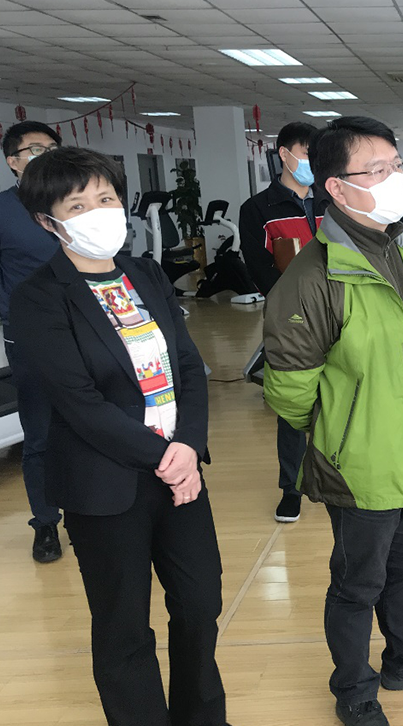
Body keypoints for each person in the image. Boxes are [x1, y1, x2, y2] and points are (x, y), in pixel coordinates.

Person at [262, 116, 403, 726]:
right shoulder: (311, 278)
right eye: (377, 171)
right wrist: (346, 434)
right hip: (361, 464)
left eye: (396, 166)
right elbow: (290, 392)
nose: (394, 179)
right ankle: (354, 687)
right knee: (358, 584)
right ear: (336, 186)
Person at [10, 147, 228, 726]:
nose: (98, 212)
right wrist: (167, 456)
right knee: (123, 623)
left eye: (105, 198)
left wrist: (188, 447)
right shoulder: (38, 296)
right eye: (77, 205)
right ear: (47, 221)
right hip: (105, 485)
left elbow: (187, 366)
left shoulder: (145, 274)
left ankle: (202, 718)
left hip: (179, 475)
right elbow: (79, 402)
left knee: (200, 603)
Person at [238, 121, 324, 523]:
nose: (312, 163)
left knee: (343, 395)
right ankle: (291, 488)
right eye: (306, 154)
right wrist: (293, 304)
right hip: (291, 320)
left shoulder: (331, 199)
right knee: (292, 403)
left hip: (337, 313)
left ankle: (339, 476)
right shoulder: (258, 209)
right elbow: (259, 267)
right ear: (285, 154)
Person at [1, 120, 63, 562]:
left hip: (87, 328)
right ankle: (45, 523)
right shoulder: (4, 210)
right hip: (29, 336)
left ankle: (93, 513)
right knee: (39, 432)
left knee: (94, 423)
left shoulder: (73, 200)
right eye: (36, 149)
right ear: (14, 161)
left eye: (53, 147)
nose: (47, 155)